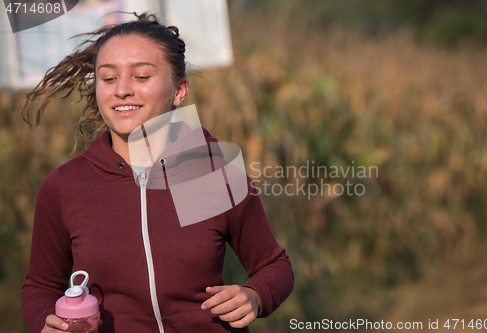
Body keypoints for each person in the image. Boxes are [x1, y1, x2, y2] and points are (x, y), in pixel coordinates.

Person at [21, 12, 293, 333]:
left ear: (179, 91)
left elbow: (274, 266)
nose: (121, 90)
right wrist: (45, 322)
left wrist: (254, 295)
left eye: (141, 77)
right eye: (108, 78)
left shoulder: (210, 170)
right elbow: (40, 286)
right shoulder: (66, 186)